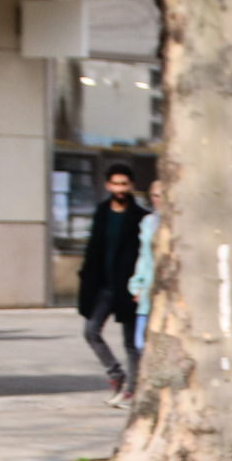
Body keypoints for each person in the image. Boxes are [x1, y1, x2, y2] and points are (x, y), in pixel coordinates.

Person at [78, 165, 145, 406]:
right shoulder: (101, 213)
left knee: (131, 342)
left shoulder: (140, 217)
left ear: (131, 186)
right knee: (91, 331)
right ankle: (116, 374)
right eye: (115, 184)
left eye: (124, 184)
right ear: (108, 185)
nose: (120, 189)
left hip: (128, 288)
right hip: (102, 286)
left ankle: (133, 389)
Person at [120, 182, 160, 408]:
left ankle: (154, 389)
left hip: (167, 293)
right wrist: (137, 284)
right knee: (139, 343)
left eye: (162, 195)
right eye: (154, 195)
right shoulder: (148, 222)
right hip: (147, 291)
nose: (158, 200)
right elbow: (144, 257)